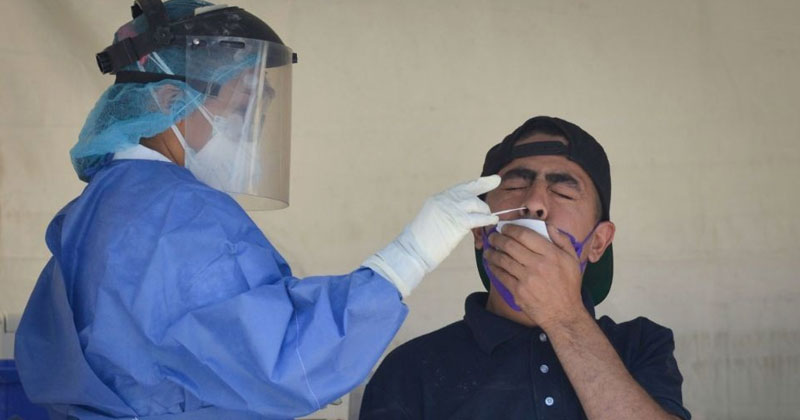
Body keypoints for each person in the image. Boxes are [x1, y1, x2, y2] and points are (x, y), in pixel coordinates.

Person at [13, 1, 501, 419]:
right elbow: (285, 361)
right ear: (168, 99)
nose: (252, 130)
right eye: (244, 106)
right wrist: (411, 254)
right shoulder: (178, 213)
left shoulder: (102, 204)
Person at [360, 116, 692, 420]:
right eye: (515, 187)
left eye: (563, 191)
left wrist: (565, 318)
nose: (533, 203)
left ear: (598, 243)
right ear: (479, 230)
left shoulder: (640, 345)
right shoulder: (410, 369)